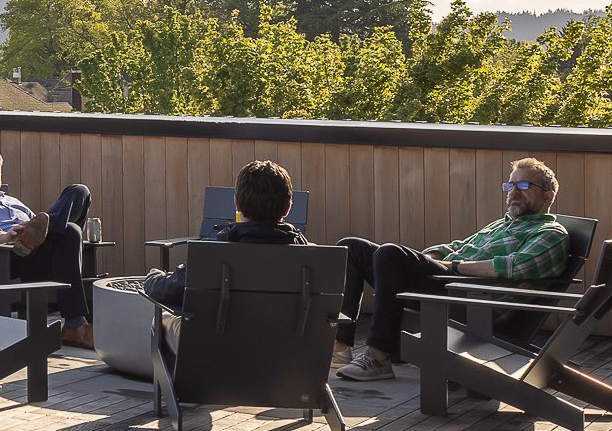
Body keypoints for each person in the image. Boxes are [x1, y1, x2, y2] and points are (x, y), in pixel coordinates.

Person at [333, 155, 572, 382]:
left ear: (548, 196)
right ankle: (340, 346)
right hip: (447, 284)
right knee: (353, 247)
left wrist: (453, 266)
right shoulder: (502, 224)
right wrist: (428, 258)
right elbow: (457, 246)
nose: (514, 191)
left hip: (474, 301)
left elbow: (512, 267)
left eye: (523, 184)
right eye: (509, 185)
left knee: (390, 253)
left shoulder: (550, 234)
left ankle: (377, 358)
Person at [0, 143, 94, 346]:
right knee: (70, 231)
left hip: (34, 254)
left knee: (78, 192)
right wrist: (7, 236)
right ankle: (75, 324)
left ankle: (74, 325)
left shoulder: (12, 201)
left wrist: (35, 230)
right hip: (5, 258)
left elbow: (43, 228)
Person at [141, 158, 304, 310]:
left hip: (220, 338)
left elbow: (169, 290)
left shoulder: (213, 251)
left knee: (161, 318)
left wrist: (153, 278)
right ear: (288, 207)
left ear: (236, 204)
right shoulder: (309, 257)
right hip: (288, 338)